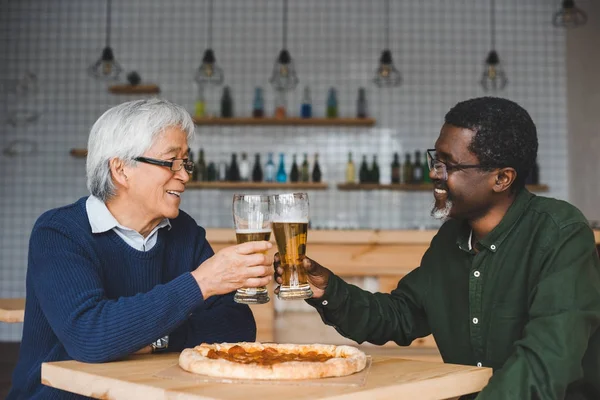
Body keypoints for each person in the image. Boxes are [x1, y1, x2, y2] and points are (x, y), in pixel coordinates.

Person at [275, 97, 600, 399]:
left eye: (450, 165)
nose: (434, 173)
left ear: (502, 178)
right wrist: (326, 289)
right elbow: (400, 315)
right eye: (436, 159)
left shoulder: (560, 234)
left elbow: (544, 365)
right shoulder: (450, 239)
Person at [8, 99, 273, 399]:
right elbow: (91, 336)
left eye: (185, 162)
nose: (184, 175)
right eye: (171, 162)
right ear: (121, 169)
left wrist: (153, 340)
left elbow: (237, 327)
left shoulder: (184, 232)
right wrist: (202, 283)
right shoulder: (59, 233)